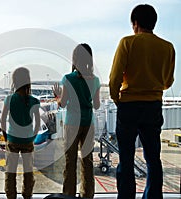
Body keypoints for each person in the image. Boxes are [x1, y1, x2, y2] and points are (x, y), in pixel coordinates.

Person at [109, 4, 175, 199]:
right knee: (153, 158)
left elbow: (115, 79)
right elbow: (167, 82)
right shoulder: (167, 47)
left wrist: (117, 99)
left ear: (135, 23)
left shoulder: (127, 43)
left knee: (126, 159)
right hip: (153, 106)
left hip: (129, 105)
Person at [52, 43, 100, 198]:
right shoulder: (95, 80)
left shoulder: (68, 79)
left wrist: (58, 97)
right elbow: (97, 105)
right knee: (88, 161)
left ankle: (69, 195)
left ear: (74, 59)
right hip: (88, 123)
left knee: (70, 161)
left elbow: (63, 103)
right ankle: (88, 194)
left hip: (72, 122)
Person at [1, 67, 40, 199]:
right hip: (28, 140)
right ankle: (27, 194)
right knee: (28, 171)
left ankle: (11, 195)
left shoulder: (9, 99)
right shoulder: (34, 101)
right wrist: (32, 137)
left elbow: (2, 121)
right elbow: (38, 123)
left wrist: (7, 137)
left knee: (10, 171)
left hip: (12, 139)